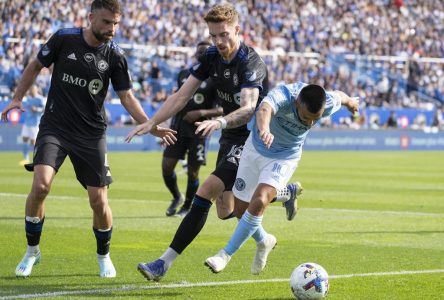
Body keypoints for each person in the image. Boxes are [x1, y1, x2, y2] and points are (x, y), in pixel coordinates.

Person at [126, 3, 301, 282]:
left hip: (253, 138)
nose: (219, 41)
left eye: (224, 35)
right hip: (230, 137)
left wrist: (218, 121)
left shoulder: (250, 62)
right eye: (213, 35)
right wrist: (151, 122)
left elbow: (247, 109)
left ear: (237, 30)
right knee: (227, 211)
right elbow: (181, 96)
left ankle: (163, 263)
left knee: (205, 190)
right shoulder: (210, 56)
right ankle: (274, 212)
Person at [1, 0, 176, 278]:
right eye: (107, 22)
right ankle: (32, 250)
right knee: (41, 185)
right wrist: (17, 98)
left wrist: (150, 124)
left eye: (116, 24)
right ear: (91, 17)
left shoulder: (116, 55)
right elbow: (35, 66)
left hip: (91, 133)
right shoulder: (64, 38)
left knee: (98, 200)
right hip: (55, 127)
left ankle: (103, 255)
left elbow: (126, 96)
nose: (112, 29)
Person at [204, 83, 359, 274]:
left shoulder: (325, 102)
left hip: (285, 156)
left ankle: (224, 255)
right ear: (296, 103)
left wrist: (351, 102)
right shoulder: (284, 95)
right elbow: (264, 109)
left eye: (315, 119)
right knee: (240, 210)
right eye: (305, 117)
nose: (309, 123)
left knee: (260, 200)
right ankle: (264, 241)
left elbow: (340, 95)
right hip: (255, 147)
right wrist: (264, 130)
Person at [163, 41, 223, 217]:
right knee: (167, 167)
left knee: (193, 171)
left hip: (199, 130)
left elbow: (222, 109)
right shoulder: (183, 74)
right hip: (178, 127)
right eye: (199, 52)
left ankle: (187, 205)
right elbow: (176, 98)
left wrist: (200, 112)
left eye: (205, 52)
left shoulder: (216, 79)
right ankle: (176, 197)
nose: (201, 55)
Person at [19, 85, 45, 166]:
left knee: (33, 142)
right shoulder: (28, 99)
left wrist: (37, 109)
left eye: (33, 89)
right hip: (27, 122)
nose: (31, 91)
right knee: (24, 139)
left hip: (35, 123)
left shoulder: (40, 99)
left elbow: (45, 109)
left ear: (36, 90)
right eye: (30, 89)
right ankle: (26, 158)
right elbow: (25, 107)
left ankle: (36, 159)